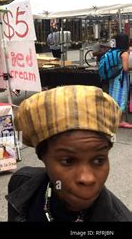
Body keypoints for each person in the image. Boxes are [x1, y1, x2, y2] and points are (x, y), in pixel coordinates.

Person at [8, 85, 132, 222]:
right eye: (68, 161)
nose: (87, 178)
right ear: (42, 156)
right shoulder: (21, 184)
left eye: (99, 160)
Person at [108, 33, 130, 128]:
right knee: (121, 98)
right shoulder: (124, 53)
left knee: (113, 97)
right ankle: (120, 121)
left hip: (113, 77)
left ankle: (112, 119)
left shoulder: (113, 51)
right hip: (121, 79)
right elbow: (125, 68)